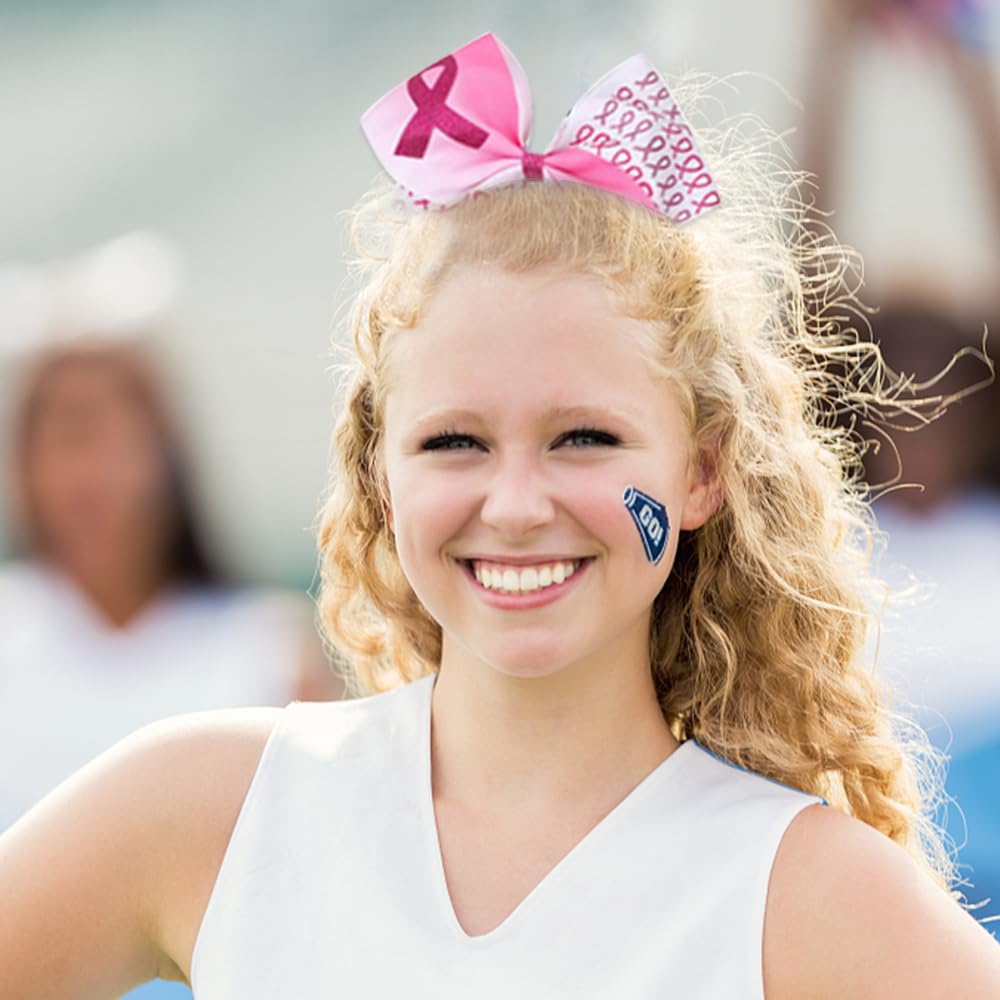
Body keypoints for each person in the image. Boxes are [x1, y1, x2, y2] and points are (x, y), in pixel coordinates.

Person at [3, 33, 1000, 999]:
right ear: (380, 475)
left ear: (700, 471)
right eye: (454, 442)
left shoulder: (803, 892)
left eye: (584, 438)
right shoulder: (211, 809)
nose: (516, 505)